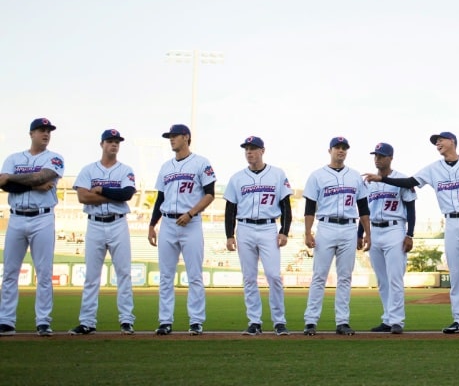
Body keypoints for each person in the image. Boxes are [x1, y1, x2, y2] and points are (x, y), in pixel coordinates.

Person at [365, 131, 459, 335]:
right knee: (455, 273)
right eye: (436, 142)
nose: (437, 144)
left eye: (440, 140)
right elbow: (409, 182)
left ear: (452, 141)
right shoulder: (434, 168)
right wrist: (382, 179)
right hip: (451, 223)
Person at [148, 124, 216, 336]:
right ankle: (165, 321)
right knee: (166, 276)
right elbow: (161, 198)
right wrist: (152, 224)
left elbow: (210, 193)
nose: (171, 139)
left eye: (175, 136)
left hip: (190, 223)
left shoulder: (201, 163)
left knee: (194, 275)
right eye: (170, 136)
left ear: (186, 138)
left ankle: (196, 321)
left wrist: (192, 213)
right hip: (168, 223)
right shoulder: (165, 167)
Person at [68, 129, 137, 336]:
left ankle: (126, 320)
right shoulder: (88, 170)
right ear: (102, 144)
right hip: (95, 224)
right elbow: (83, 198)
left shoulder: (125, 170)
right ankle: (87, 321)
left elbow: (127, 194)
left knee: (124, 273)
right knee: (91, 275)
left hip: (118, 224)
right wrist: (113, 197)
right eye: (110, 141)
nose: (114, 145)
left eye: (117, 142)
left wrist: (102, 190)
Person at [224, 136, 293, 336]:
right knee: (249, 278)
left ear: (263, 151)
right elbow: (230, 208)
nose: (249, 152)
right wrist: (229, 235)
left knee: (273, 276)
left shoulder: (277, 174)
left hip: (267, 228)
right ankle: (254, 321)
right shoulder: (237, 178)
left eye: (253, 149)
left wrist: (284, 231)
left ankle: (279, 321)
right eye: (246, 149)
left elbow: (285, 205)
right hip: (244, 227)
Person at [0, 118, 64, 337]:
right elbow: (3, 183)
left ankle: (43, 321)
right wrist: (35, 184)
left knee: (44, 273)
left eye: (48, 131)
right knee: (9, 272)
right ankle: (6, 321)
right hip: (16, 218)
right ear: (31, 134)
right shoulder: (14, 158)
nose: (45, 134)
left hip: (42, 218)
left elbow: (43, 176)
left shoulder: (54, 158)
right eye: (41, 130)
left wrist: (13, 178)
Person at [302, 137, 371, 336]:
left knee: (345, 277)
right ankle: (310, 321)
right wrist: (307, 232)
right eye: (337, 148)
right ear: (329, 150)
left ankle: (342, 321)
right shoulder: (317, 175)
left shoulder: (355, 176)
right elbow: (309, 207)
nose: (341, 151)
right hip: (326, 226)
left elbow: (363, 207)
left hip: (349, 227)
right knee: (319, 276)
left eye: (344, 148)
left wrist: (366, 232)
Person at [361, 143, 417, 335]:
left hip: (395, 229)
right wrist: (361, 234)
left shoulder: (401, 179)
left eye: (382, 155)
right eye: (376, 155)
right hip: (375, 230)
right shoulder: (368, 182)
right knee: (382, 280)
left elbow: (410, 207)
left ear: (391, 158)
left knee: (395, 278)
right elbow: (364, 211)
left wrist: (410, 234)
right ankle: (387, 318)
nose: (378, 159)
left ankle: (397, 321)